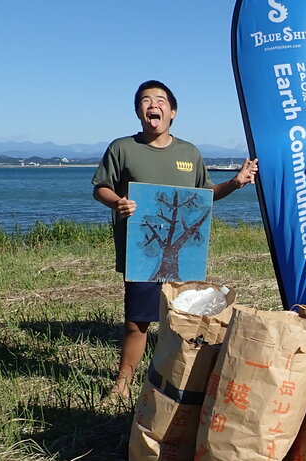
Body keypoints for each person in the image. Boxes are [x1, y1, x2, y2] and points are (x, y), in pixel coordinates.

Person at [92, 79, 258, 404]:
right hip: (142, 253)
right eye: (145, 100)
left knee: (181, 322)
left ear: (173, 112)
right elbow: (100, 186)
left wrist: (236, 183)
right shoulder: (122, 148)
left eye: (160, 100)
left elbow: (204, 195)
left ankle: (174, 381)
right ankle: (122, 384)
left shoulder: (189, 153)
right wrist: (117, 202)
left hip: (184, 258)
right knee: (137, 324)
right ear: (139, 111)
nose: (153, 104)